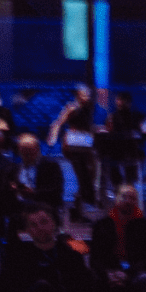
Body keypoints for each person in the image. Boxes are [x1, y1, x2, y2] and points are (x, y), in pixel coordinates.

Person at [46, 84, 102, 220]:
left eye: (88, 95)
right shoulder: (72, 107)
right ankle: (83, 207)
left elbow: (88, 125)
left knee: (90, 174)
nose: (86, 97)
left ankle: (84, 204)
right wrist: (52, 138)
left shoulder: (89, 108)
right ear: (78, 95)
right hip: (74, 144)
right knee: (82, 175)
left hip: (87, 144)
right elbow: (58, 123)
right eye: (83, 95)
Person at [9, 134, 66, 226]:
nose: (27, 156)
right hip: (20, 210)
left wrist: (33, 193)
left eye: (29, 152)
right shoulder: (15, 168)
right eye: (24, 153)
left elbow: (56, 191)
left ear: (37, 150)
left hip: (43, 209)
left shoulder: (51, 166)